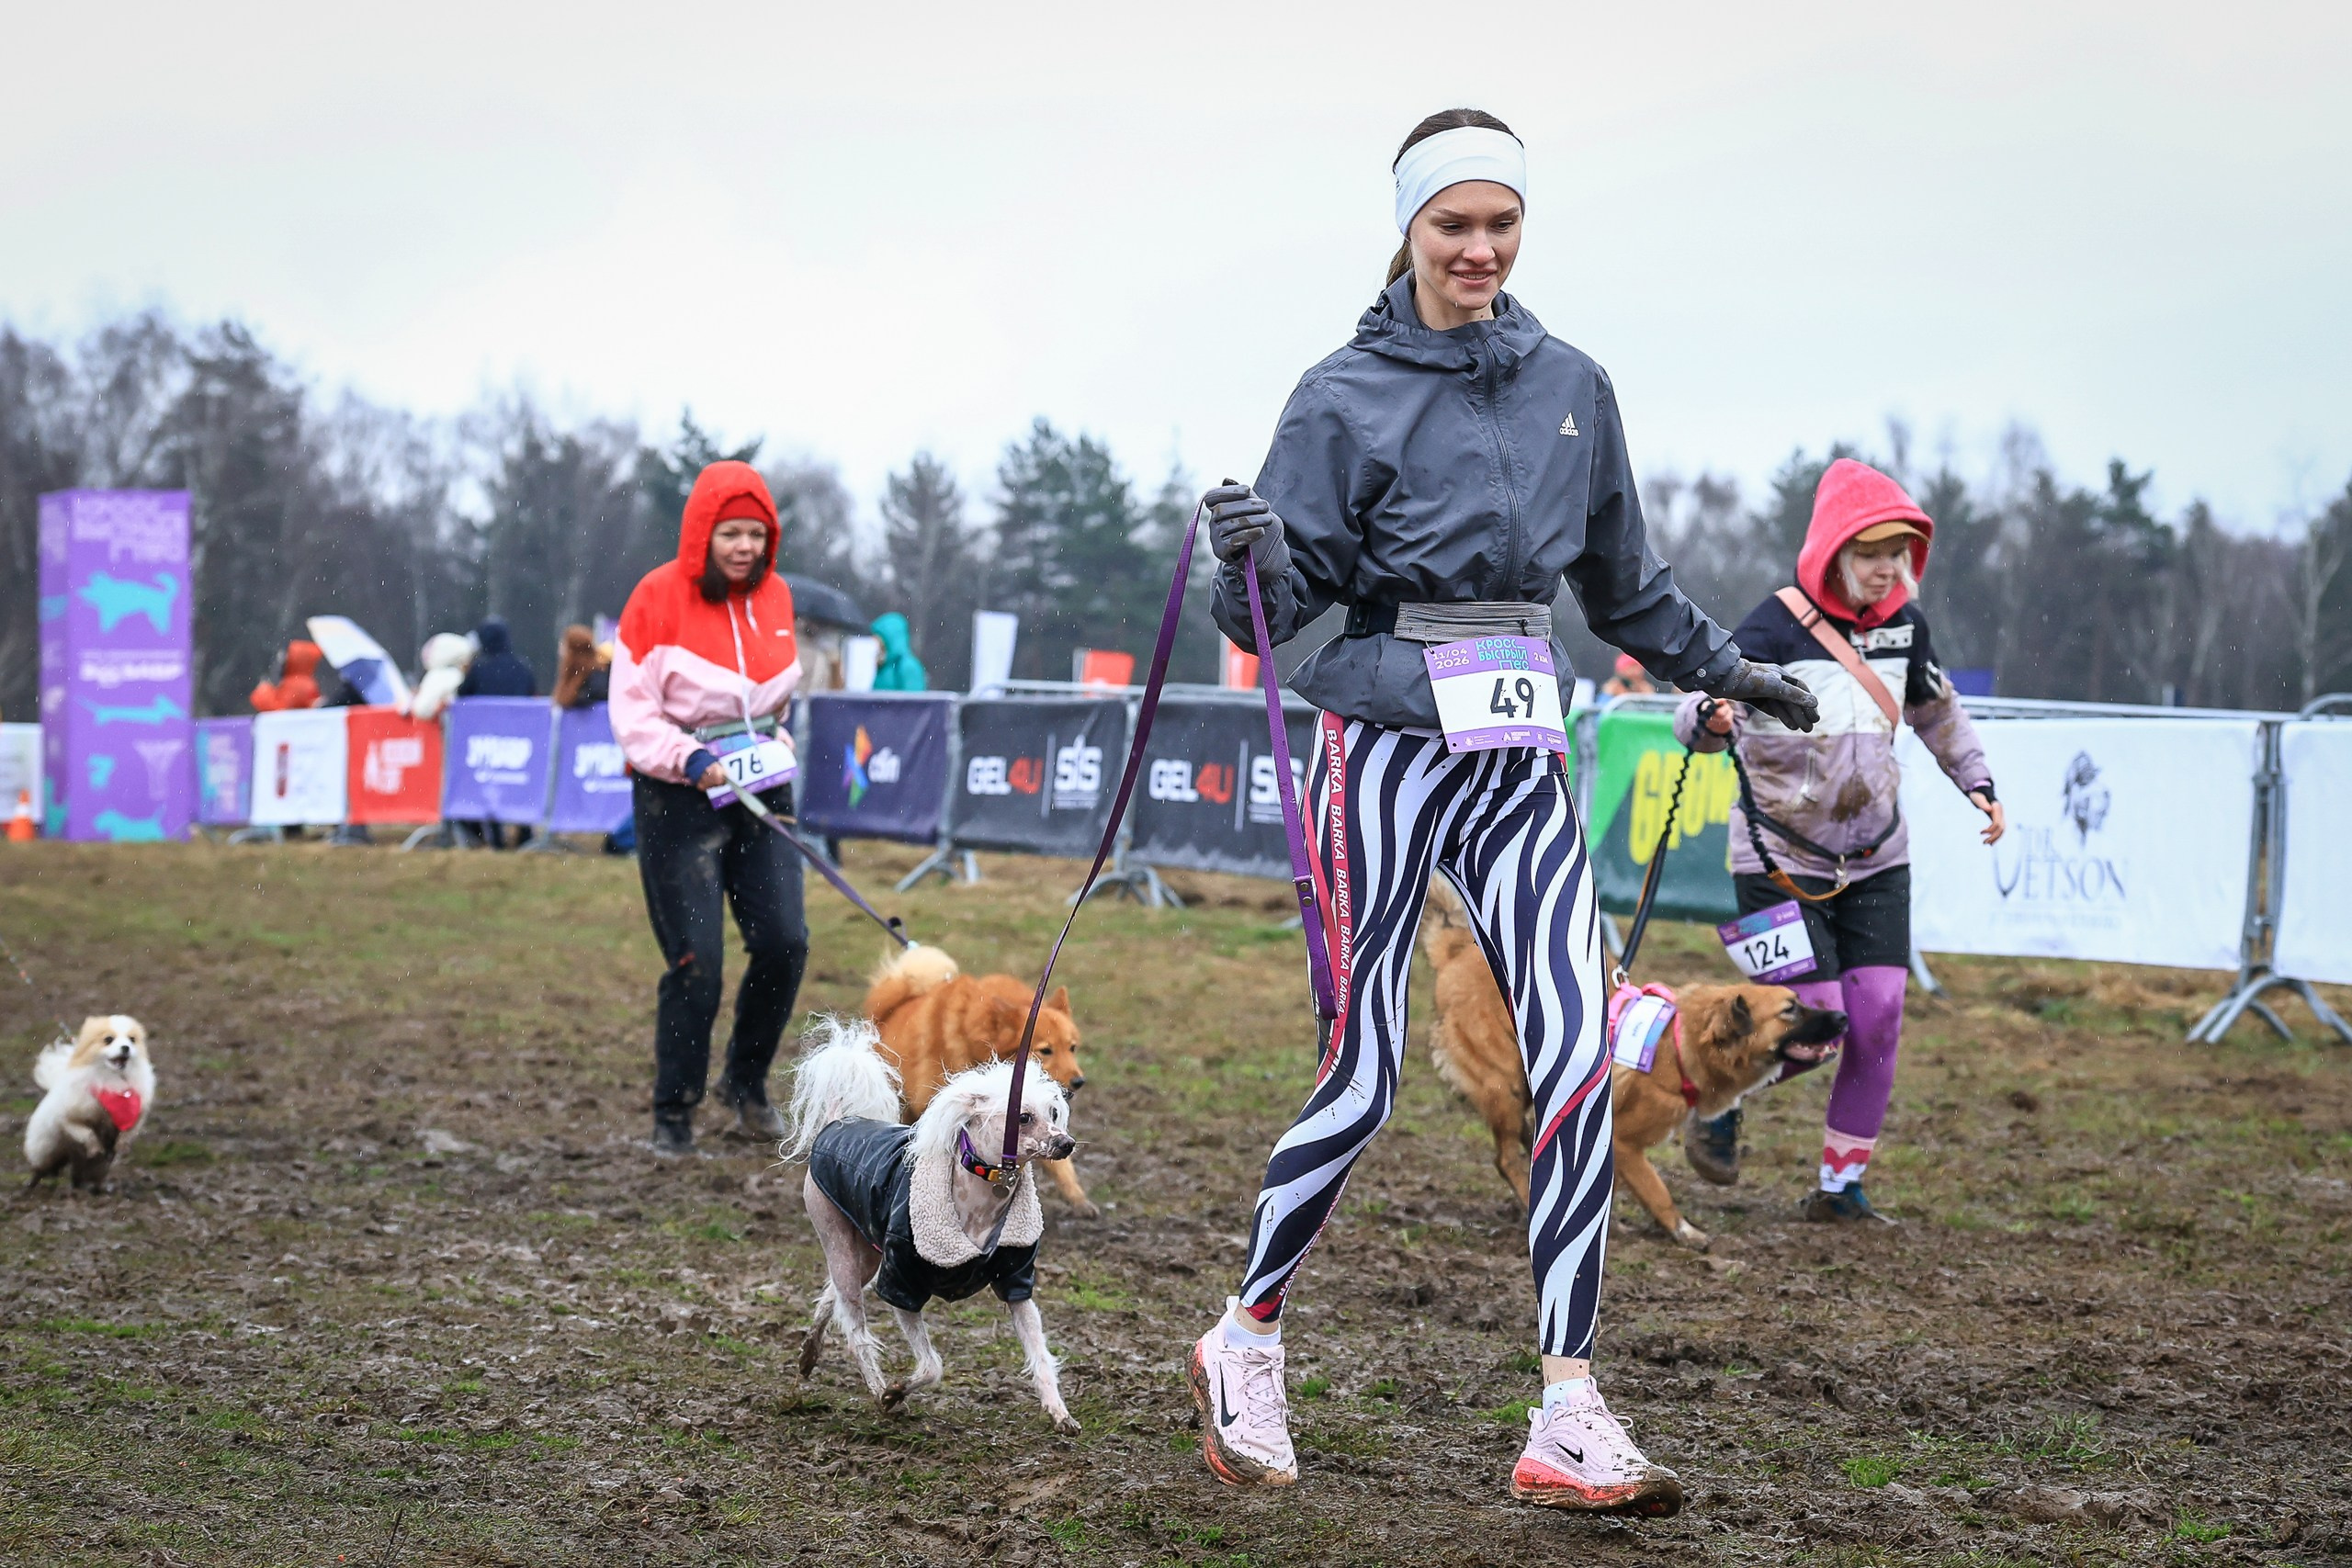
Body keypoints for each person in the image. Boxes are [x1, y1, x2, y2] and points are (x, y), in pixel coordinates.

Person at [1183, 108, 1817, 1515]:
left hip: (1522, 754)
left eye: (1501, 223)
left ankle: (1569, 1408)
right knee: (1366, 1072)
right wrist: (1244, 563)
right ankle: (1247, 1335)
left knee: (1579, 1053)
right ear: (1408, 230)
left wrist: (1727, 670)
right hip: (1387, 746)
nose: (1479, 248)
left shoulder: (1573, 385)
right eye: (1452, 225)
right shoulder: (1340, 395)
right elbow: (1271, 607)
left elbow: (1627, 584)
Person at [1672, 458, 2004, 1222]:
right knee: (1812, 1021)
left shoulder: (1908, 627)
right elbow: (1698, 707)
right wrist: (1708, 720)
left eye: (1898, 553)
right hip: (1776, 858)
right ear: (1833, 551)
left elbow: (1938, 713)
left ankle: (1840, 1187)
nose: (1887, 568)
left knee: (1878, 1017)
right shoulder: (1770, 626)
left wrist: (1978, 782)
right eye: (1870, 552)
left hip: (1877, 857)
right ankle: (1712, 1095)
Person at [609, 460, 809, 1156]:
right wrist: (689, 757)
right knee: (699, 961)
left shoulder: (778, 596)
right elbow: (632, 710)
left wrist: (775, 738)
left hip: (760, 787)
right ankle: (674, 1109)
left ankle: (745, 1083)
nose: (745, 546)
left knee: (785, 942)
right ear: (703, 534)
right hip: (678, 794)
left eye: (757, 534)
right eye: (731, 533)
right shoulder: (656, 595)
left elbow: (776, 698)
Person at [458, 617, 537, 699]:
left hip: (485, 708)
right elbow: (532, 695)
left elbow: (462, 696)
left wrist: (465, 673)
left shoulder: (478, 668)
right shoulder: (523, 667)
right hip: (517, 708)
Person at [867, 612, 928, 692]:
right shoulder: (878, 667)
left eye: (881, 645)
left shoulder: (907, 666)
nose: (877, 648)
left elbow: (914, 697)